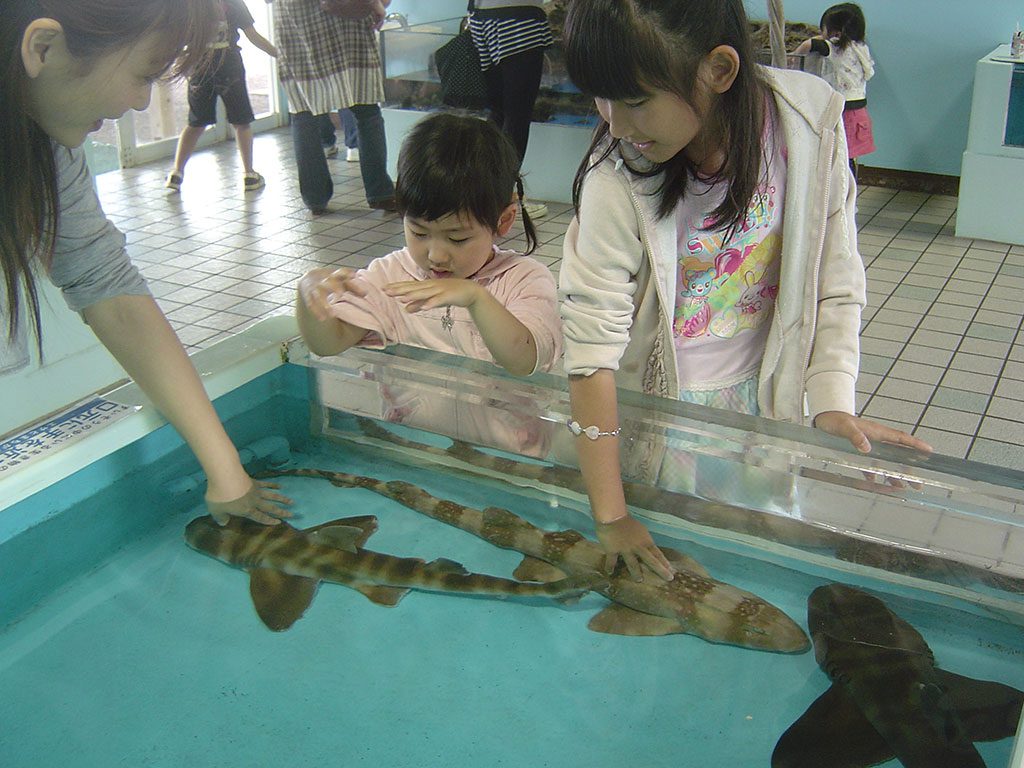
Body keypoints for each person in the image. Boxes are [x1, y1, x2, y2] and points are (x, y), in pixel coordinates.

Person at [558, 0, 931, 582]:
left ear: (720, 70)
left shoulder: (808, 126)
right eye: (599, 98)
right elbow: (590, 355)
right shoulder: (615, 176)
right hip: (656, 418)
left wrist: (830, 401)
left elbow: (834, 279)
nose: (614, 123)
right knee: (671, 582)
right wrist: (611, 516)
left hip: (766, 411)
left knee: (759, 578)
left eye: (633, 101)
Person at [3, 0, 292, 526]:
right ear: (42, 47)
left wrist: (227, 472)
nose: (140, 103)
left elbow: (107, 286)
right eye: (143, 76)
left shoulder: (46, 138)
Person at [296, 112, 560, 379]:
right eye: (419, 233)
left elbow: (524, 360)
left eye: (457, 238)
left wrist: (476, 297)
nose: (436, 255)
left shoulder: (523, 280)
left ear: (503, 221)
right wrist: (309, 296)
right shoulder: (390, 278)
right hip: (407, 422)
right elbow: (328, 344)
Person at [272, 0, 395, 215]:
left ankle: (315, 197)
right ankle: (381, 192)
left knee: (304, 113)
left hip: (294, 23)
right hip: (347, 25)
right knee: (366, 109)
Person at [164, 0, 278, 193]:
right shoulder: (234, 3)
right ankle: (249, 174)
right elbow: (252, 35)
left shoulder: (189, 5)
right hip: (229, 66)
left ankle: (177, 173)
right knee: (241, 122)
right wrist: (278, 54)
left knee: (196, 123)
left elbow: (177, 38)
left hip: (200, 67)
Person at [468, 0, 553, 220]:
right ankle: (502, 199)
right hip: (519, 19)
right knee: (517, 116)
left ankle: (478, 192)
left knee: (499, 112)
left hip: (481, 18)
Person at [793, 3, 875, 178]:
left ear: (835, 33)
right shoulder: (860, 47)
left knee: (835, 157)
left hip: (842, 111)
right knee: (848, 158)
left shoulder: (834, 46)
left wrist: (795, 54)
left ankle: (837, 195)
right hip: (858, 112)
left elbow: (811, 44)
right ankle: (848, 196)